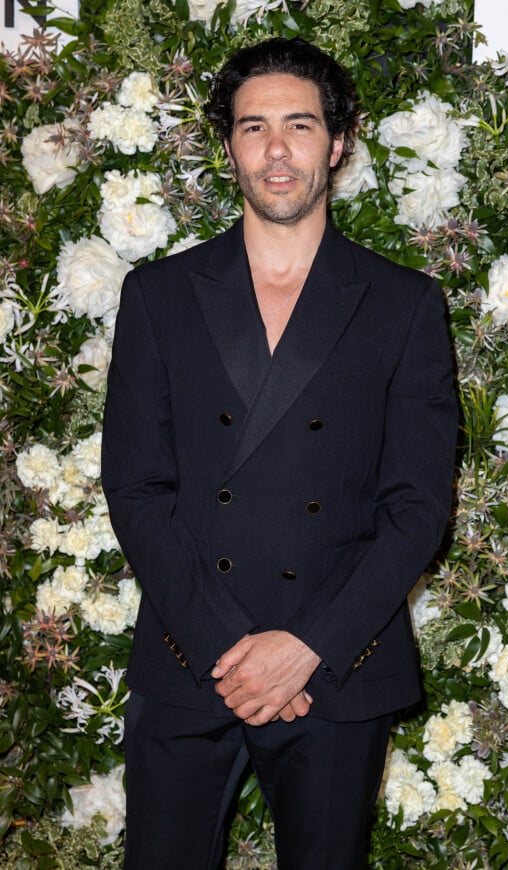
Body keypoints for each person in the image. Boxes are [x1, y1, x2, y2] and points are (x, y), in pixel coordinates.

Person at [101, 36, 458, 870]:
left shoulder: (403, 304)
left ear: (337, 143)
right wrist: (229, 651)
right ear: (229, 146)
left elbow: (417, 508)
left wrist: (304, 646)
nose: (276, 151)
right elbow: (137, 485)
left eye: (298, 126)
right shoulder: (158, 295)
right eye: (252, 127)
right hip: (192, 660)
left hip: (337, 667)